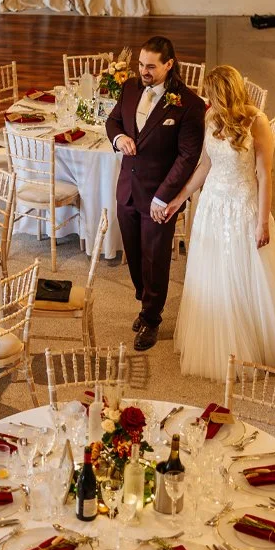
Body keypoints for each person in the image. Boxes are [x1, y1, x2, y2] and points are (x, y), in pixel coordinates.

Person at [171, 65, 275, 380]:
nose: (206, 98)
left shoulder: (257, 121)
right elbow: (205, 165)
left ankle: (256, 339)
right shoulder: (210, 117)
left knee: (247, 275)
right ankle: (222, 335)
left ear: (223, 92)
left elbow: (265, 175)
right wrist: (181, 196)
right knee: (215, 273)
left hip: (243, 206)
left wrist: (262, 222)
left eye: (210, 93)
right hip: (211, 204)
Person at [106, 36, 206, 351]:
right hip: (127, 190)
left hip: (159, 196)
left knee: (156, 258)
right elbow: (112, 120)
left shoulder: (188, 104)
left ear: (168, 65)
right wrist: (119, 137)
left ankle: (152, 318)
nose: (144, 71)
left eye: (151, 66)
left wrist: (164, 197)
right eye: (140, 64)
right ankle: (144, 300)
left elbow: (188, 157)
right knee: (133, 255)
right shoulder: (131, 88)